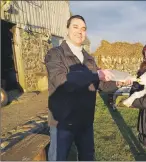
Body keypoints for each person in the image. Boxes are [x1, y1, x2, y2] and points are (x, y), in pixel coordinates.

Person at [45, 15, 131, 161]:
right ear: (67, 29)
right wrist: (96, 74)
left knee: (88, 158)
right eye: (75, 27)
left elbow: (101, 85)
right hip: (63, 123)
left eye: (83, 29)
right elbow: (61, 81)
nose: (80, 31)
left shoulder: (89, 58)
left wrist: (118, 82)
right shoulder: (55, 54)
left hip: (85, 122)